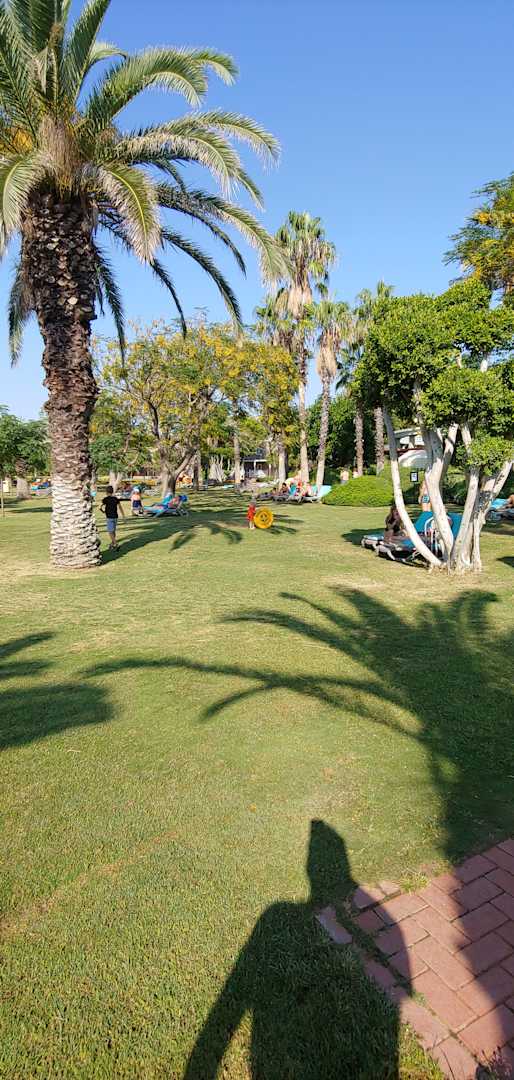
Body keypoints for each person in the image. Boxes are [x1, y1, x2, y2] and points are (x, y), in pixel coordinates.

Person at [100, 485, 125, 550]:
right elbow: (120, 507)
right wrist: (123, 515)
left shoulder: (105, 499)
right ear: (112, 491)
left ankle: (116, 544)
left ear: (106, 492)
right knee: (113, 531)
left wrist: (103, 511)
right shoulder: (116, 499)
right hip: (115, 517)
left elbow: (100, 507)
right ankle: (112, 544)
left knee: (110, 531)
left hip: (109, 517)